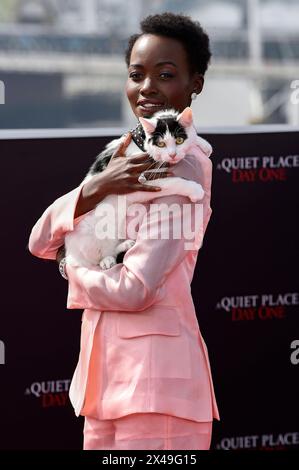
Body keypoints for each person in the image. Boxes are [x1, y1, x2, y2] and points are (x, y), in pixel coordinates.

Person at [28, 12, 219, 450]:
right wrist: (96, 187)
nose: (147, 87)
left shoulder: (182, 165)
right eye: (137, 75)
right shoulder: (120, 152)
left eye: (165, 74)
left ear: (196, 84)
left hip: (159, 392)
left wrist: (71, 272)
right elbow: (39, 241)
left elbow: (136, 288)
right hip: (101, 387)